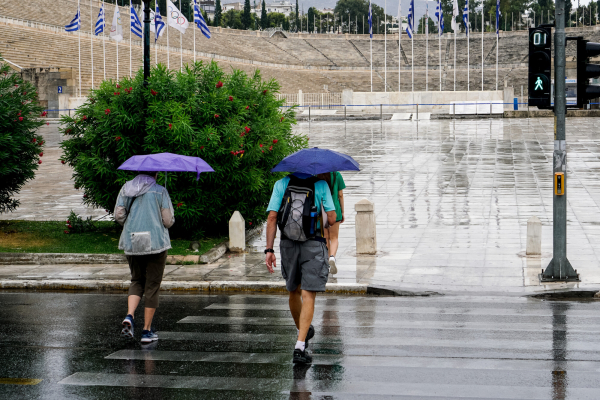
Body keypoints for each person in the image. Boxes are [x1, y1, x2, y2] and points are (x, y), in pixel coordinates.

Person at [265, 172, 336, 364]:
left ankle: (302, 331)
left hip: (288, 244)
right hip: (314, 244)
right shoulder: (321, 185)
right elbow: (331, 218)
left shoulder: (282, 183)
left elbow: (272, 218)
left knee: (293, 290)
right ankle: (300, 345)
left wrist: (269, 249)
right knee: (308, 294)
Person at [114, 171, 175, 343]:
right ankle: (146, 331)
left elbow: (119, 215)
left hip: (132, 241)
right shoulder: (160, 191)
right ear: (155, 174)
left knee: (137, 280)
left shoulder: (126, 188)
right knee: (152, 285)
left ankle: (130, 315)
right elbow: (168, 221)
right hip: (156, 243)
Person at [317, 172, 345, 275]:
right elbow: (340, 195)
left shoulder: (316, 175)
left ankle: (327, 260)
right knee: (334, 238)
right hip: (335, 210)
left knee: (325, 238)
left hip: (321, 211)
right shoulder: (337, 174)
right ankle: (332, 257)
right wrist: (342, 211)